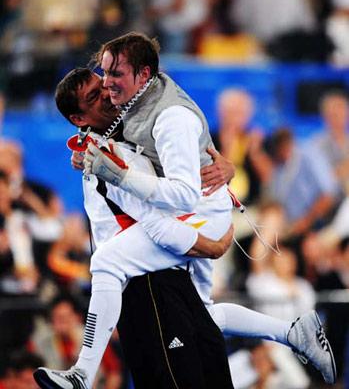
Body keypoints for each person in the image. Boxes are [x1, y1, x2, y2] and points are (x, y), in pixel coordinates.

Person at [35, 42, 336, 387]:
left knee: (121, 271)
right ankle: (292, 332)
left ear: (143, 76)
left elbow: (182, 168)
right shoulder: (105, 153)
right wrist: (209, 243)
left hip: (157, 270)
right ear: (78, 119)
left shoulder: (132, 123)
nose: (105, 91)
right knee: (197, 312)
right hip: (146, 276)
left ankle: (82, 374)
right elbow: (152, 216)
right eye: (94, 94)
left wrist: (225, 170)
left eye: (105, 81)